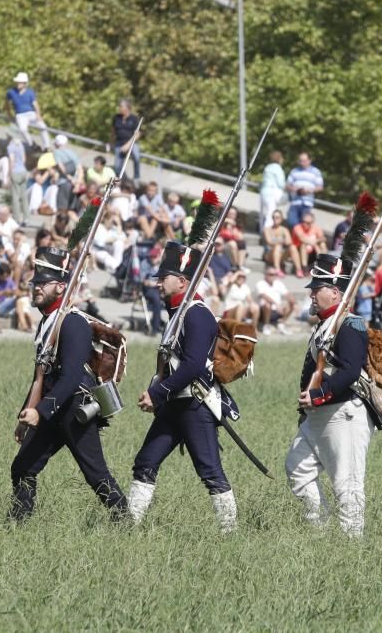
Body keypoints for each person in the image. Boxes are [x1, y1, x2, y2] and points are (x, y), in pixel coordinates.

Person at [129, 194, 239, 532]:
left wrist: (157, 391)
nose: (158, 283)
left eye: (165, 277)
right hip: (175, 403)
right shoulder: (177, 313)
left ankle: (230, 532)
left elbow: (192, 365)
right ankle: (129, 525)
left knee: (209, 471)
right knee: (145, 462)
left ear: (182, 279)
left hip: (195, 404)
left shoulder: (198, 314)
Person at [9, 247, 129, 522]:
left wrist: (40, 411)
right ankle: (17, 525)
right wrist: (27, 415)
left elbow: (72, 375)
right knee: (23, 467)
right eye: (35, 283)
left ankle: (124, 520)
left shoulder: (73, 322)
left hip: (74, 407)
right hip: (51, 408)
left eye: (43, 283)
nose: (36, 287)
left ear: (61, 286)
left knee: (95, 474)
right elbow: (41, 374)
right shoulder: (46, 323)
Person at [286, 247, 374, 538]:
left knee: (347, 485)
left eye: (317, 289)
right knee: (296, 469)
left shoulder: (351, 324)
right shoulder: (326, 325)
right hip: (319, 414)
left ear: (335, 293)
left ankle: (352, 545)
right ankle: (320, 528)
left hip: (344, 412)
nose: (311, 294)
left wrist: (318, 395)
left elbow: (349, 372)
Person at [5, 72, 51, 150]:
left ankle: (47, 146)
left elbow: (35, 104)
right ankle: (32, 144)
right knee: (22, 129)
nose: (18, 84)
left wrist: (38, 115)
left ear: (25, 84)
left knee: (43, 127)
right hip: (20, 115)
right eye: (18, 82)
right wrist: (9, 114)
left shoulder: (30, 92)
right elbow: (7, 104)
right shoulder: (11, 92)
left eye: (20, 82)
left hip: (31, 113)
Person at [286, 152, 324, 227]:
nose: (302, 163)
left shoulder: (316, 172)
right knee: (291, 222)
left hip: (307, 203)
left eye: (304, 160)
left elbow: (320, 187)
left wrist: (308, 191)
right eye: (300, 160)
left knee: (304, 224)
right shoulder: (294, 171)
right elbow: (287, 185)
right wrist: (295, 189)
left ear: (309, 160)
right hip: (295, 202)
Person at [256, 266, 295, 335]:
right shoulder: (260, 283)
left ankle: (281, 324)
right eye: (271, 274)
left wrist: (293, 301)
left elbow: (287, 293)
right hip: (264, 311)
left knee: (291, 303)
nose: (273, 276)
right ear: (265, 275)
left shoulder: (278, 283)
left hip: (278, 310)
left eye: (274, 274)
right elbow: (263, 296)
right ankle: (266, 325)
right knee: (267, 304)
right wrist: (276, 304)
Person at [262, 209, 300, 277]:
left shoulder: (284, 230)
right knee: (277, 246)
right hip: (269, 254)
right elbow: (269, 241)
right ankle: (277, 269)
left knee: (293, 247)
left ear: (281, 219)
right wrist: (282, 240)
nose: (275, 219)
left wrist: (278, 241)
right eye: (273, 217)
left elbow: (289, 241)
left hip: (281, 254)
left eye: (277, 217)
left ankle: (298, 269)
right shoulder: (267, 229)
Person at [111, 99, 141, 180]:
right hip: (119, 143)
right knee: (117, 166)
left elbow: (137, 134)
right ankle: (121, 179)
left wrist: (128, 145)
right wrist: (111, 143)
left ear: (127, 108)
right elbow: (113, 131)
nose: (119, 108)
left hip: (131, 143)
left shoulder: (134, 118)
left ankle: (136, 177)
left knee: (137, 157)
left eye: (121, 106)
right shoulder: (116, 118)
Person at [292, 211, 327, 276]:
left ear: (312, 223)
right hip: (299, 251)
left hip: (312, 252)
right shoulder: (297, 227)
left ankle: (322, 265)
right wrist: (313, 242)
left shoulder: (316, 228)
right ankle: (304, 268)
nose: (305, 224)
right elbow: (302, 239)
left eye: (308, 223)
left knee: (323, 244)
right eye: (303, 221)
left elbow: (323, 238)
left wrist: (315, 241)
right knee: (303, 244)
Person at [258, 150, 285, 232]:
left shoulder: (267, 167)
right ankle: (267, 234)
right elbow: (281, 184)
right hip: (272, 193)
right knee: (271, 214)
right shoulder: (277, 168)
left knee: (264, 214)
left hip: (264, 192)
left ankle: (262, 231)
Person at [140, 245, 164, 334]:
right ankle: (155, 328)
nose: (152, 259)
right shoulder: (144, 263)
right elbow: (144, 282)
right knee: (156, 300)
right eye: (151, 257)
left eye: (155, 257)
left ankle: (163, 324)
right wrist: (155, 283)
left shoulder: (161, 265)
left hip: (159, 288)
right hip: (148, 289)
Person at [7, 133, 29, 223]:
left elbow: (12, 160)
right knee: (24, 196)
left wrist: (9, 174)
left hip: (15, 171)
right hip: (23, 171)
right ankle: (26, 217)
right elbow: (24, 159)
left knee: (15, 197)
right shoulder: (20, 145)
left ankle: (16, 218)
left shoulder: (10, 147)